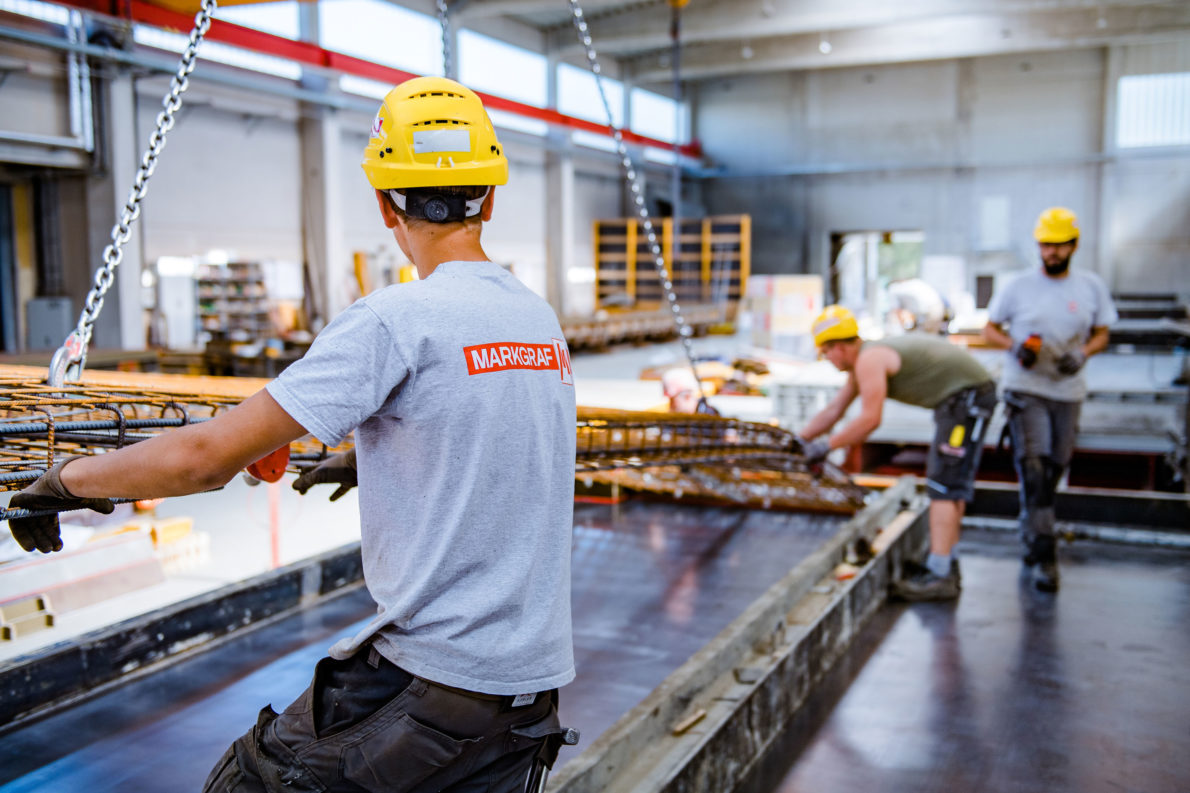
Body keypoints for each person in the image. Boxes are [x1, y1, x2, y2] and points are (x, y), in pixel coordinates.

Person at [6, 77, 578, 792]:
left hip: (427, 689)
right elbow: (500, 439)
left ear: (382, 201)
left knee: (247, 783)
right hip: (526, 700)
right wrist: (373, 458)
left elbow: (204, 458)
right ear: (490, 198)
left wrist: (63, 483)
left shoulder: (393, 319)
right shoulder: (538, 321)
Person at [798, 305, 997, 601]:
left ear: (838, 346)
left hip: (966, 400)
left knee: (944, 484)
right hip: (964, 399)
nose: (826, 359)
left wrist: (826, 447)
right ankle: (942, 564)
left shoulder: (869, 359)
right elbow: (834, 410)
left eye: (826, 352)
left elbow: (870, 419)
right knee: (949, 484)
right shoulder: (864, 359)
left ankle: (940, 575)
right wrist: (797, 441)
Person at [983, 207, 1116, 592]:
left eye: (1058, 246)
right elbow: (989, 329)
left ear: (1073, 246)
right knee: (1035, 469)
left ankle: (1030, 529)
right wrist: (1015, 347)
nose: (1051, 253)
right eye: (1045, 246)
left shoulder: (1090, 287)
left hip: (1067, 392)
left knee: (1054, 470)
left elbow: (1103, 333)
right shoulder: (1018, 286)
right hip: (1026, 388)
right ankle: (1045, 555)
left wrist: (1083, 354)